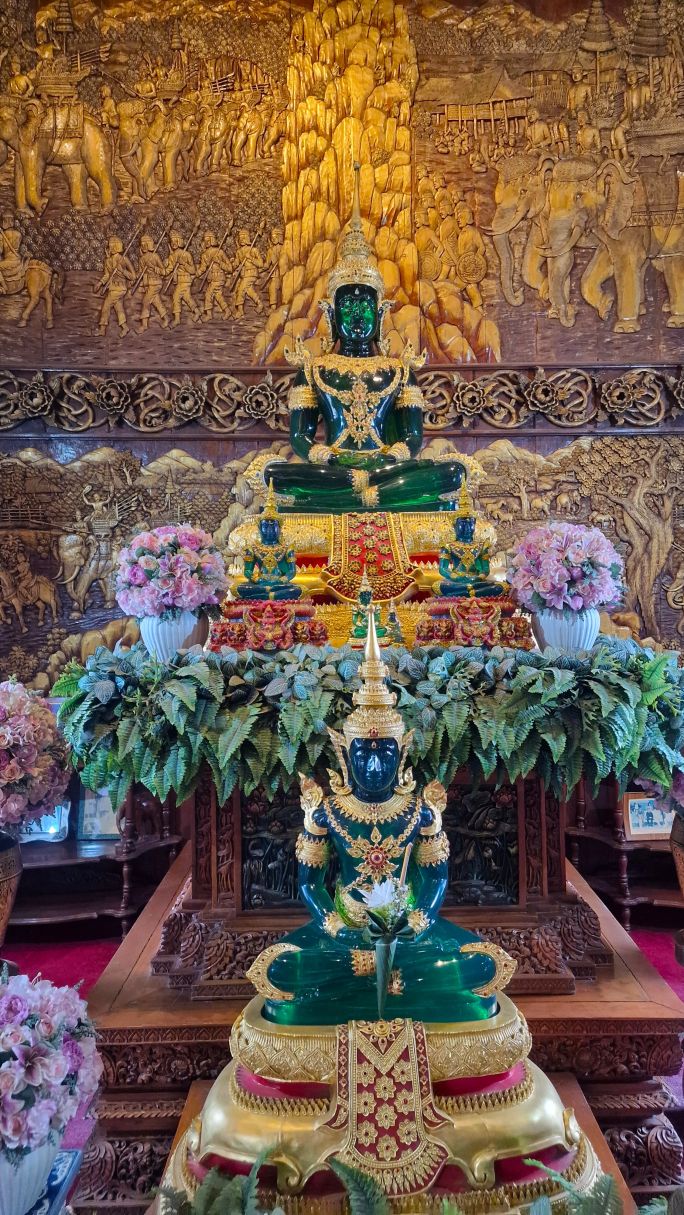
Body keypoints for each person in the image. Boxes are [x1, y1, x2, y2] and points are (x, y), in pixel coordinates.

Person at [258, 165, 467, 514]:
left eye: (365, 306)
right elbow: (300, 438)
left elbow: (413, 438)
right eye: (349, 306)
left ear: (381, 312)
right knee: (275, 475)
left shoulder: (400, 371)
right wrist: (332, 460)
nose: (358, 316)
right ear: (331, 313)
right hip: (334, 470)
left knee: (454, 472)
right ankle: (363, 492)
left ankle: (349, 496)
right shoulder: (312, 370)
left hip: (387, 468)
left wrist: (386, 461)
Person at [96, 236, 134, 337]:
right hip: (112, 288)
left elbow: (133, 276)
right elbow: (107, 275)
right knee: (119, 308)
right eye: (110, 246)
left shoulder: (124, 259)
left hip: (120, 288)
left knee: (106, 306)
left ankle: (102, 329)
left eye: (113, 246)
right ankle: (125, 327)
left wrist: (122, 271)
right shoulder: (108, 261)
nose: (111, 248)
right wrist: (100, 283)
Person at [164, 228, 199, 327]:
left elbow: (193, 270)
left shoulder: (186, 254)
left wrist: (184, 264)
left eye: (176, 241)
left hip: (186, 280)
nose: (174, 243)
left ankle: (177, 319)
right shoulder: (172, 256)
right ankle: (197, 312)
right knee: (187, 298)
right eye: (172, 241)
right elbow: (169, 269)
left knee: (176, 297)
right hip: (179, 280)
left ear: (180, 242)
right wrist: (162, 271)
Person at [137, 233, 168, 331]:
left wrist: (154, 268)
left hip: (156, 283)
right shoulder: (142, 259)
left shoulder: (155, 256)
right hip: (147, 284)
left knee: (145, 301)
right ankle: (166, 319)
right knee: (157, 302)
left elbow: (163, 271)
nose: (143, 246)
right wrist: (134, 280)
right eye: (142, 244)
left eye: (145, 244)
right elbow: (140, 273)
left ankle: (144, 325)